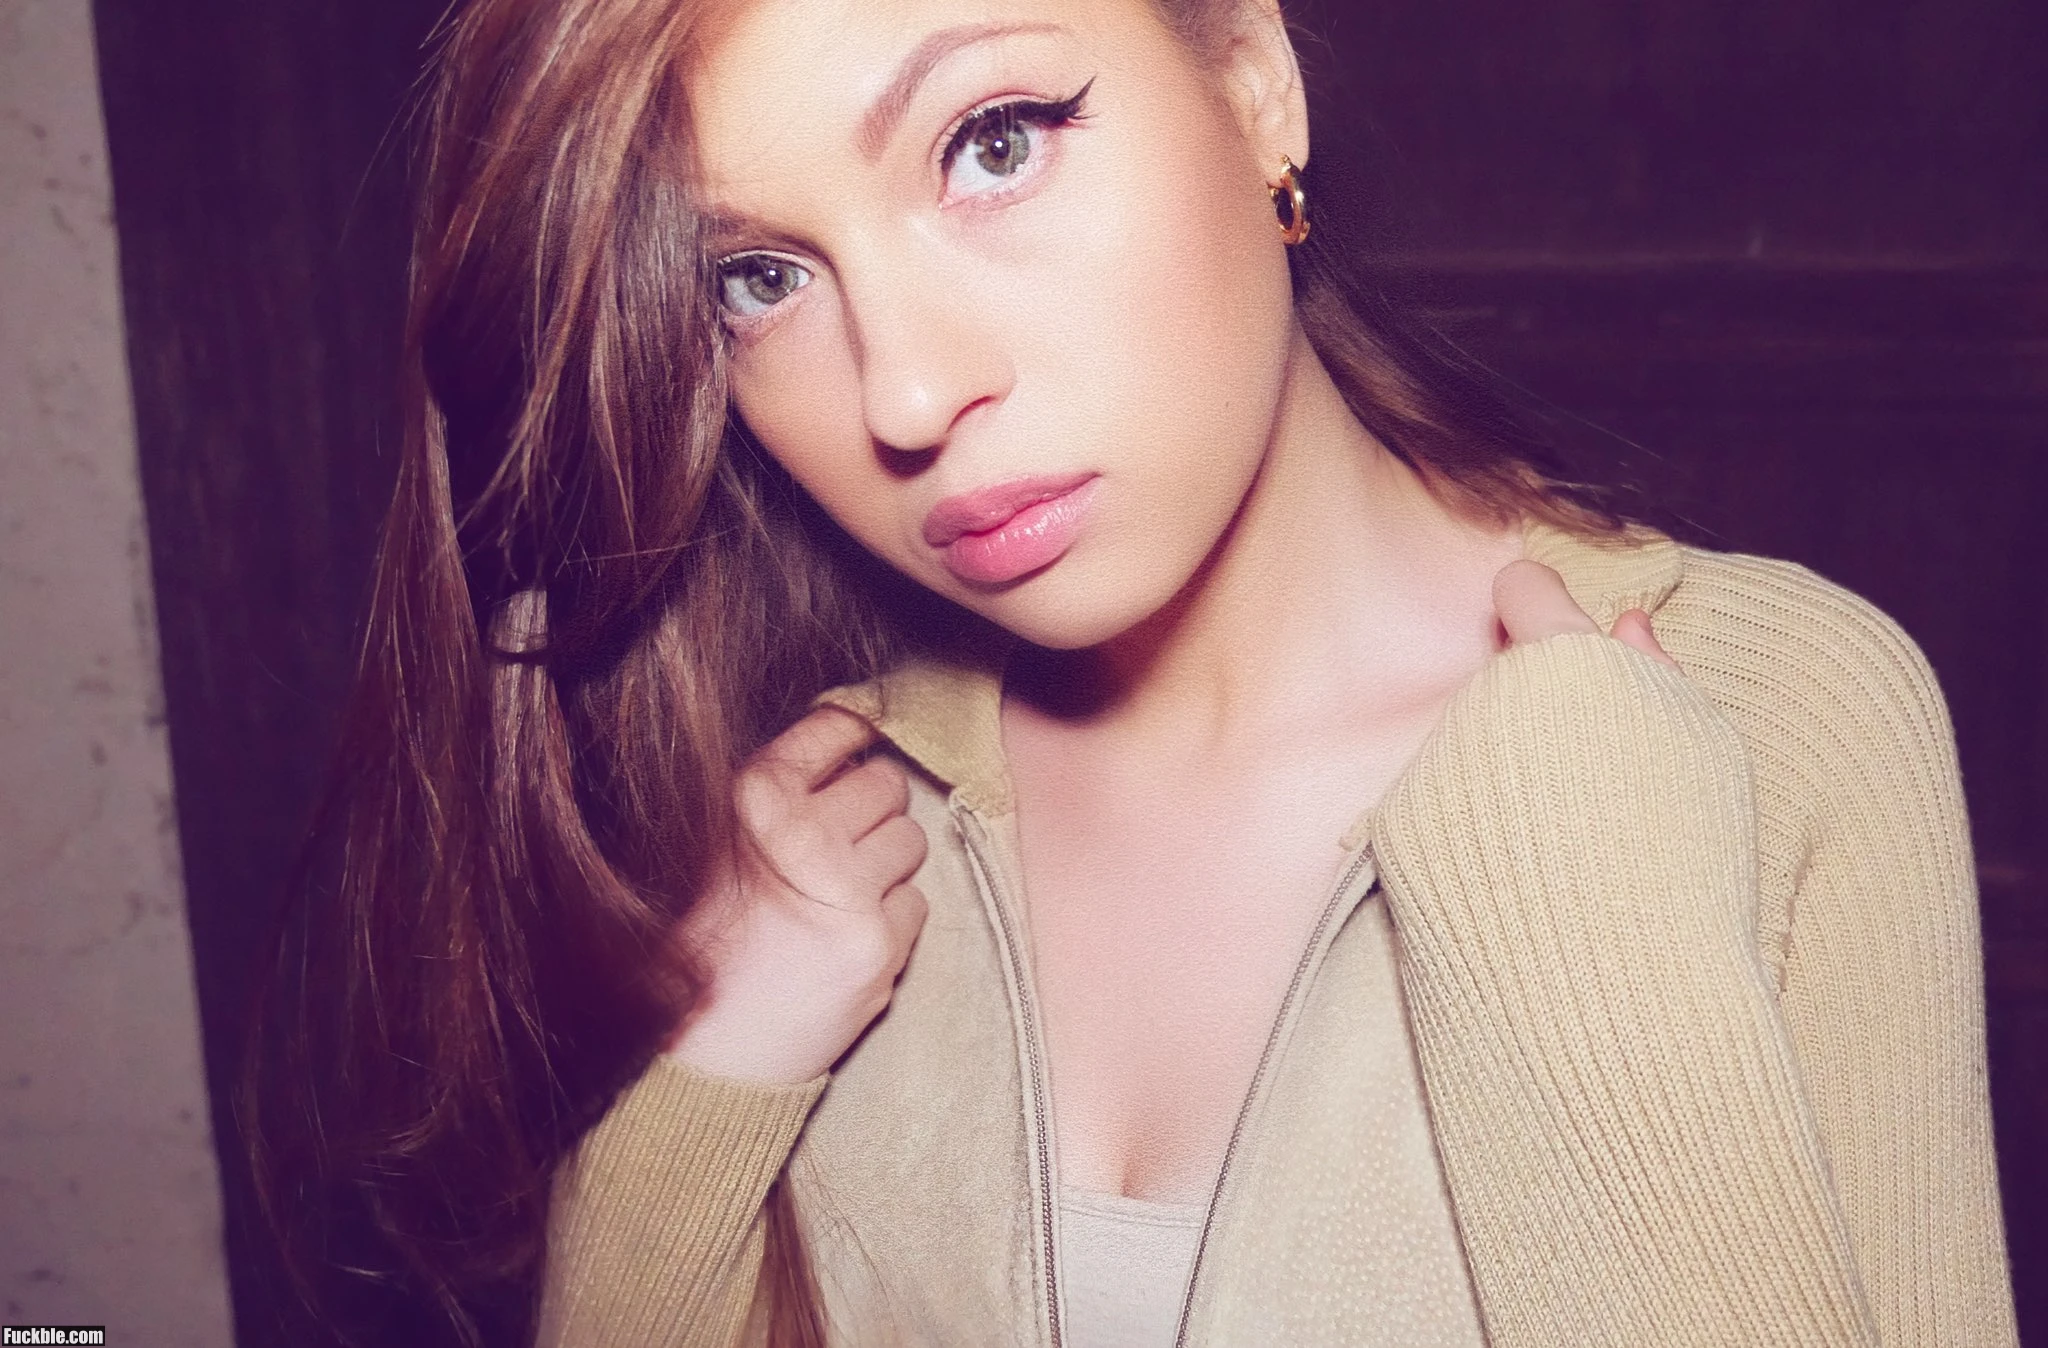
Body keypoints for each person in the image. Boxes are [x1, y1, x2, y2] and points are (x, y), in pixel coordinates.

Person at [247, 0, 2018, 1344]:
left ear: (1251, 84)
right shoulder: (832, 833)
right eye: (760, 278)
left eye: (993, 143)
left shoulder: (1773, 718)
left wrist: (1582, 936)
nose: (905, 393)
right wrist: (704, 1085)